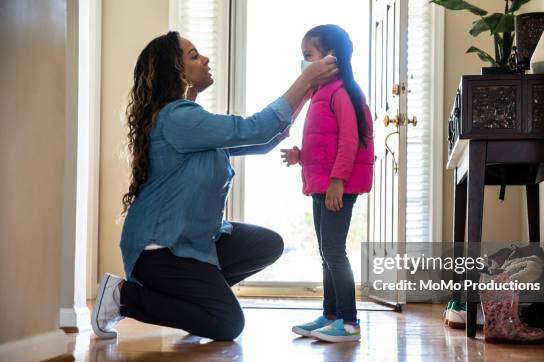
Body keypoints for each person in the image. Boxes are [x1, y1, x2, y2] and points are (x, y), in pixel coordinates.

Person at [91, 31, 338, 340]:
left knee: (267, 244)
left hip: (192, 241)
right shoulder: (178, 119)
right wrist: (306, 80)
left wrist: (309, 87)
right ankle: (122, 295)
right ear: (176, 71)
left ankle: (195, 304)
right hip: (159, 250)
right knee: (227, 324)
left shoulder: (192, 122)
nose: (205, 59)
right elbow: (255, 128)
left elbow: (263, 140)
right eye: (194, 56)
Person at [281, 25, 374, 342]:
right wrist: (300, 155)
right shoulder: (320, 93)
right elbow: (325, 143)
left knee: (334, 251)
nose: (304, 63)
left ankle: (349, 322)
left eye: (308, 55)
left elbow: (349, 141)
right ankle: (330, 314)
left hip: (337, 186)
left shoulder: (341, 91)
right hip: (321, 182)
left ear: (331, 57)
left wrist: (337, 181)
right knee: (326, 252)